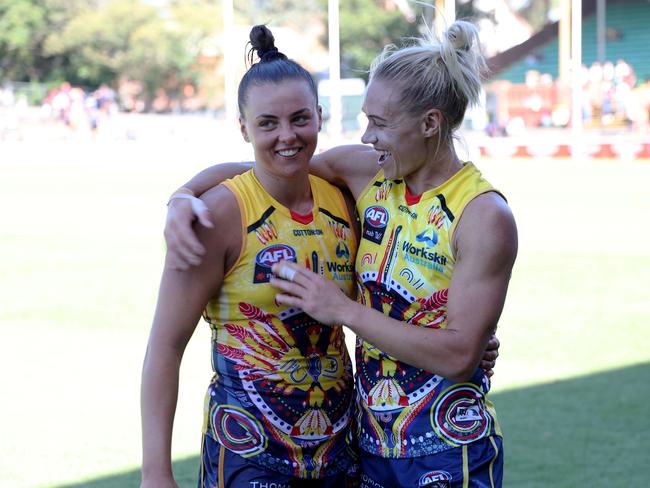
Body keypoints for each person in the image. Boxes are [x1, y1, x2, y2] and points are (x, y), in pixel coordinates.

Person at [165, 20, 514, 487]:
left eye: (380, 123)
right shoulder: (370, 174)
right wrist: (184, 193)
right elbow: (277, 164)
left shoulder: (483, 214)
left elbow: (456, 356)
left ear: (430, 123)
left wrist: (342, 310)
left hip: (448, 452)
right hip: (365, 452)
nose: (367, 135)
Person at [141, 25, 361, 488]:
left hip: (339, 453)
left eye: (300, 118)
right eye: (267, 123)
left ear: (319, 116)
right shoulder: (217, 213)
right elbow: (165, 347)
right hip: (246, 454)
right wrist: (155, 472)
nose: (288, 136)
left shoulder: (344, 200)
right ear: (243, 128)